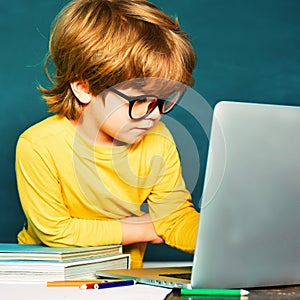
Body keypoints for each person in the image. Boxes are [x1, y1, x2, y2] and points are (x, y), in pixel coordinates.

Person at [15, 0, 200, 268]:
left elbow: (174, 218)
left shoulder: (157, 139)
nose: (154, 114)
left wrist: (225, 239)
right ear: (83, 88)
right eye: (139, 101)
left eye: (165, 100)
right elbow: (55, 231)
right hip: (44, 277)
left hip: (122, 279)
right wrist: (145, 228)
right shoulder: (38, 145)